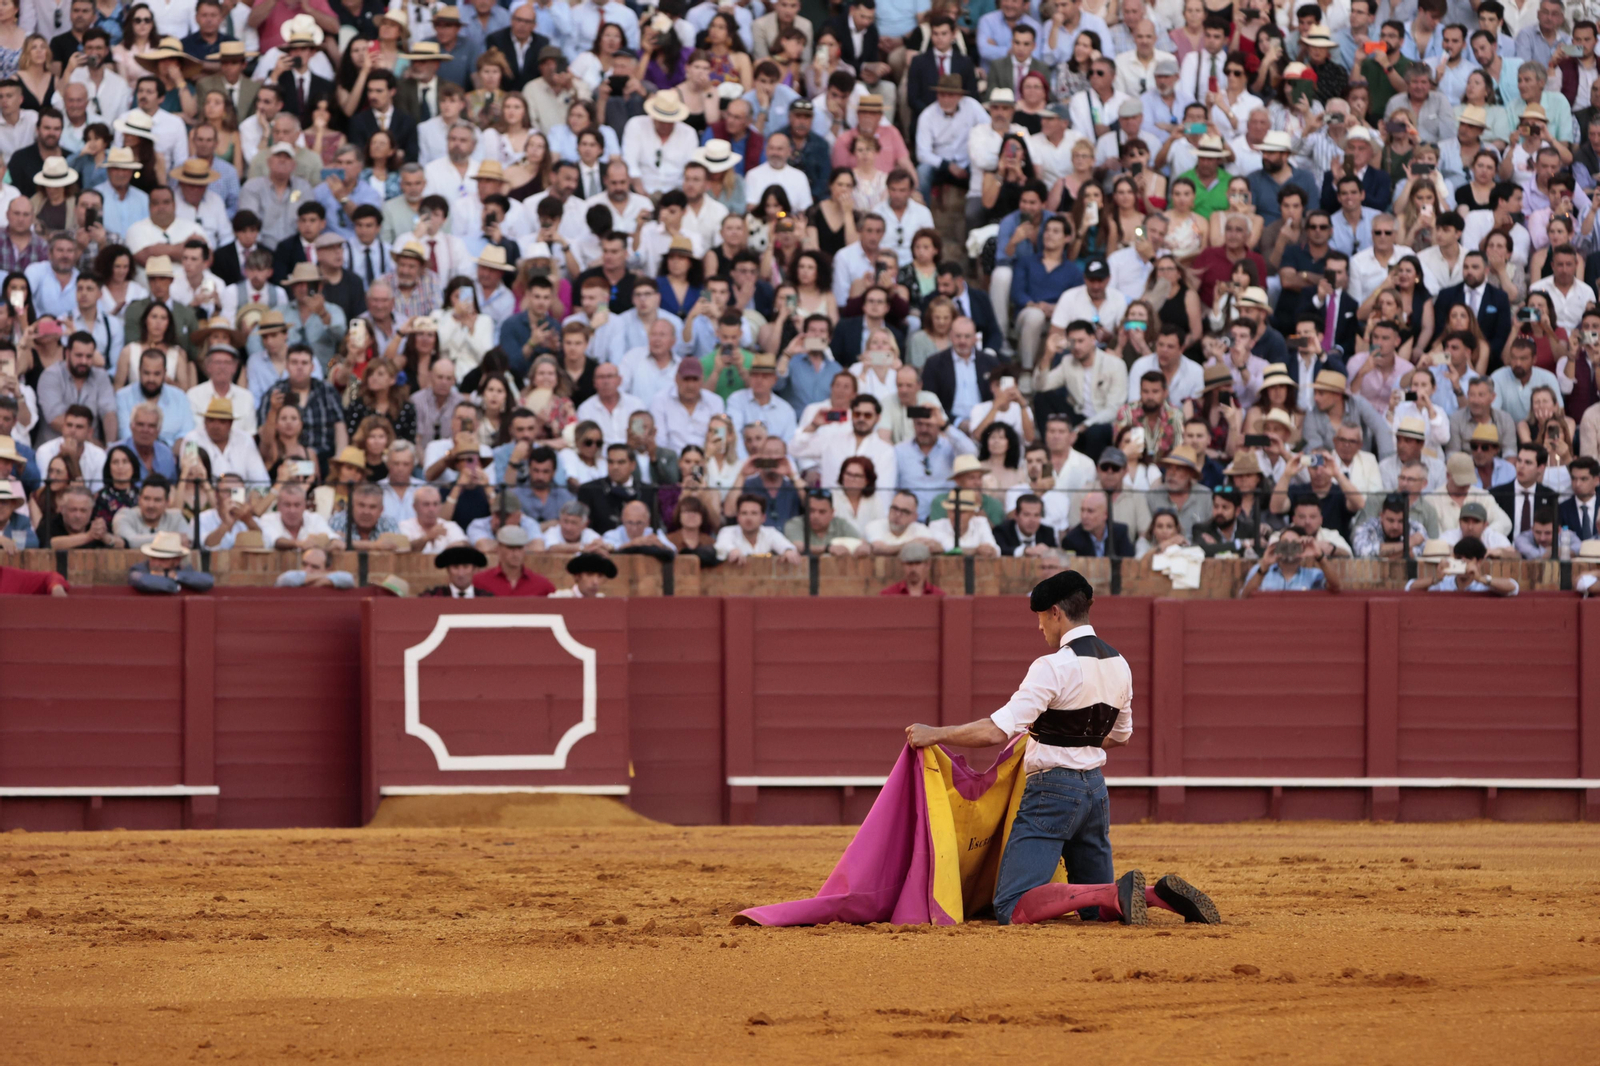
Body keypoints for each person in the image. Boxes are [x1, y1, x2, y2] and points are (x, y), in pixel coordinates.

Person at [904, 570, 1219, 927]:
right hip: (1095, 794)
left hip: (1052, 793)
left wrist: (936, 733)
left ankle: (1115, 892)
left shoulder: (1053, 666)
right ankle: (1157, 895)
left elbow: (995, 731)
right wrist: (1074, 737)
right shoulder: (1120, 664)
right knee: (1095, 910)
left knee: (1012, 905)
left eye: (1041, 619)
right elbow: (1121, 737)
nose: (1040, 628)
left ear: (1055, 612)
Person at [1238, 526, 1340, 595]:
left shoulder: (1313, 575)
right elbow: (1245, 598)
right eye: (1284, 544)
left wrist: (1319, 556)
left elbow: (1336, 587)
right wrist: (1264, 565)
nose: (1289, 548)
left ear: (1302, 548)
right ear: (1278, 546)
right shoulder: (1259, 571)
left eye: (1294, 545)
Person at [128, 529, 214, 594]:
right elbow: (145, 581)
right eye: (153, 558)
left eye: (163, 559)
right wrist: (174, 584)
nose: (156, 563)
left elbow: (207, 580)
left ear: (177, 560)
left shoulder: (181, 570)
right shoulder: (140, 569)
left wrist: (174, 575)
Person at [550, 551, 619, 597]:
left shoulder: (603, 601)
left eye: (600, 576)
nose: (595, 582)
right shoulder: (560, 597)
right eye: (589, 574)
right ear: (577, 576)